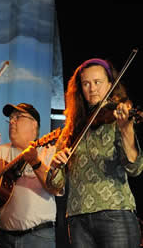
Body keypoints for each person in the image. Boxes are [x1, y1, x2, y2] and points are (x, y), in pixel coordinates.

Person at [48, 58, 143, 248]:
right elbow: (54, 186)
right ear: (79, 89)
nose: (92, 88)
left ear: (110, 84)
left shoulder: (118, 119)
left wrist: (126, 130)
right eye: (86, 83)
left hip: (114, 212)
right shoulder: (71, 129)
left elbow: (135, 168)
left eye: (98, 82)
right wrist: (55, 165)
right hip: (77, 218)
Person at [0, 102, 59, 248]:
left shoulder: (48, 152)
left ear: (34, 125)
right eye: (11, 118)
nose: (12, 121)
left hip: (38, 237)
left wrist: (35, 162)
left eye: (18, 117)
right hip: (4, 237)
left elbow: (54, 188)